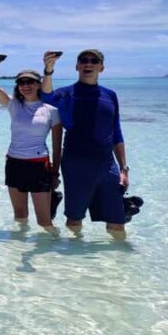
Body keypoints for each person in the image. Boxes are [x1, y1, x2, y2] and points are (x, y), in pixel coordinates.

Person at [40, 49, 130, 239]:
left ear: (101, 67)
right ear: (77, 66)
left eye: (93, 61)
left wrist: (124, 168)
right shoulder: (67, 94)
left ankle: (117, 257)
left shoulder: (110, 95)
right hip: (76, 164)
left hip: (107, 165)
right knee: (75, 219)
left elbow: (116, 132)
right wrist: (48, 70)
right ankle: (76, 254)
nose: (88, 63)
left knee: (117, 221)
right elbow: (46, 96)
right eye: (84, 60)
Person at [0, 58, 62, 233]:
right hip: (14, 163)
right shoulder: (13, 104)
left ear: (39, 84)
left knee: (44, 222)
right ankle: (17, 246)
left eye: (30, 82)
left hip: (39, 165)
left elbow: (57, 145)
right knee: (20, 217)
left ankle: (54, 247)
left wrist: (55, 172)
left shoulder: (51, 110)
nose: (25, 85)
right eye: (21, 82)